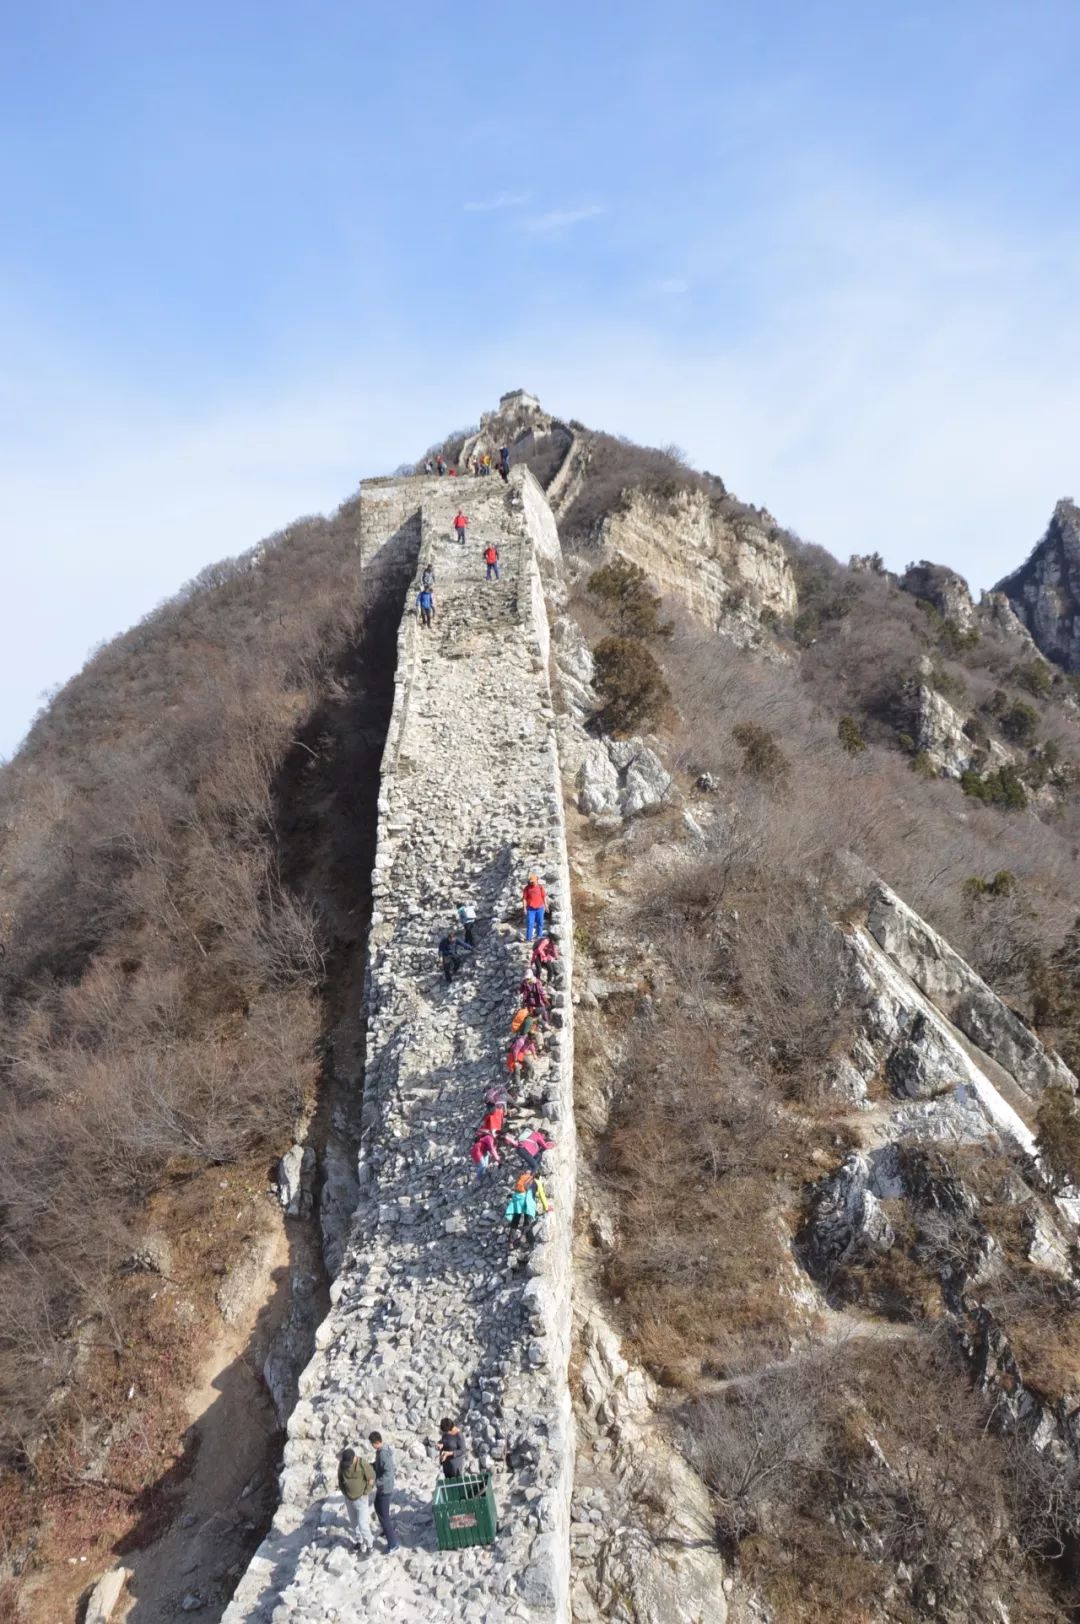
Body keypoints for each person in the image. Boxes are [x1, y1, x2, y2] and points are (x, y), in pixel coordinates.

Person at [337, 1445, 375, 1551]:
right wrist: (344, 1492)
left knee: (362, 1524)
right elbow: (340, 1479)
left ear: (354, 1458)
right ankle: (359, 1541)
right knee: (354, 1524)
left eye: (349, 1463)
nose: (347, 1465)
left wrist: (366, 1492)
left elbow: (371, 1477)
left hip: (361, 1499)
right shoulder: (342, 1464)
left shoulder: (362, 1464)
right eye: (346, 1463)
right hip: (349, 1499)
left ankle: (370, 1544)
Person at [368, 1431, 400, 1552]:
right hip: (383, 1487)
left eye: (372, 1444)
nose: (372, 1446)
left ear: (376, 1443)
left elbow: (389, 1473)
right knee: (378, 1507)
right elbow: (379, 1465)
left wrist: (377, 1482)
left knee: (384, 1515)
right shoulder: (381, 1451)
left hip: (385, 1488)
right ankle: (386, 1530)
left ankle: (393, 1544)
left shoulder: (383, 1454)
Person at [523, 873, 547, 942]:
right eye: (531, 882)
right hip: (530, 909)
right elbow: (524, 899)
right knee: (530, 923)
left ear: (537, 880)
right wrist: (524, 908)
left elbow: (544, 896)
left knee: (540, 923)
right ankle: (528, 939)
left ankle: (539, 937)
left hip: (540, 908)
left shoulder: (540, 887)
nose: (532, 883)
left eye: (533, 881)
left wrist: (546, 906)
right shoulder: (527, 888)